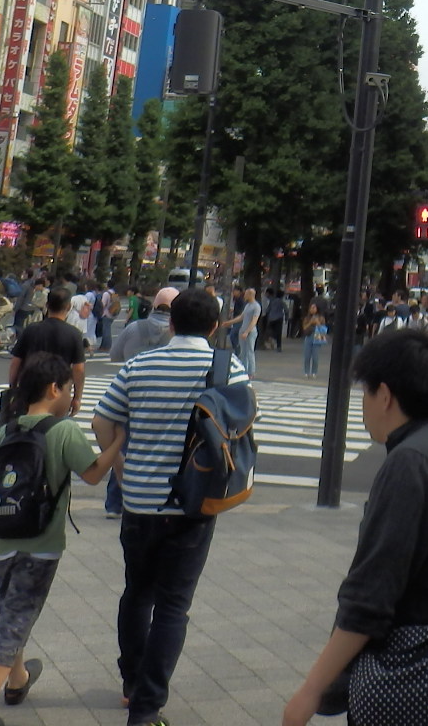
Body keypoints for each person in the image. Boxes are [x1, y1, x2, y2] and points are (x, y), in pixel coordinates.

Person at [280, 328, 428, 726]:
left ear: (385, 395)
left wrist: (311, 690)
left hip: (415, 680)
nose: (364, 405)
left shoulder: (410, 463)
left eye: (365, 393)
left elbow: (371, 595)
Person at [93, 289, 253, 726]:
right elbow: (239, 427)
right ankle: (147, 707)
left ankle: (131, 681)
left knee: (136, 593)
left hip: (139, 502)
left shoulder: (139, 365)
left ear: (171, 322)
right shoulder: (226, 368)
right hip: (194, 503)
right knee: (172, 606)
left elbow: (102, 420)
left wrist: (122, 467)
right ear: (215, 327)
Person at [0, 351, 123, 726]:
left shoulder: (6, 430)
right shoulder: (63, 430)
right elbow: (94, 473)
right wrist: (118, 441)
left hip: (2, 538)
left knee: (11, 610)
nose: (71, 396)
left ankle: (17, 681)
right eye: (69, 389)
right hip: (41, 543)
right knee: (15, 619)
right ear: (55, 389)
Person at [10, 289, 88, 418]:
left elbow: (15, 363)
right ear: (68, 307)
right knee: (56, 430)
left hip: (31, 388)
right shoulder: (74, 334)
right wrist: (77, 397)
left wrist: (13, 389)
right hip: (59, 391)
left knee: (27, 426)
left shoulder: (31, 330)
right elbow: (78, 369)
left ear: (47, 305)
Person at [110, 287, 179, 363]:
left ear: (154, 305)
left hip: (135, 373)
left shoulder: (133, 328)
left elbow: (115, 356)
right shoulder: (181, 333)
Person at [301, 304, 329, 378]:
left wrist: (317, 323)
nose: (312, 309)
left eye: (314, 308)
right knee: (307, 356)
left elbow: (323, 329)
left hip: (317, 337)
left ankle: (314, 372)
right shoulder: (307, 318)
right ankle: (306, 371)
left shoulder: (321, 318)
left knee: (315, 357)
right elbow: (304, 328)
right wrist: (310, 322)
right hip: (309, 337)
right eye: (311, 308)